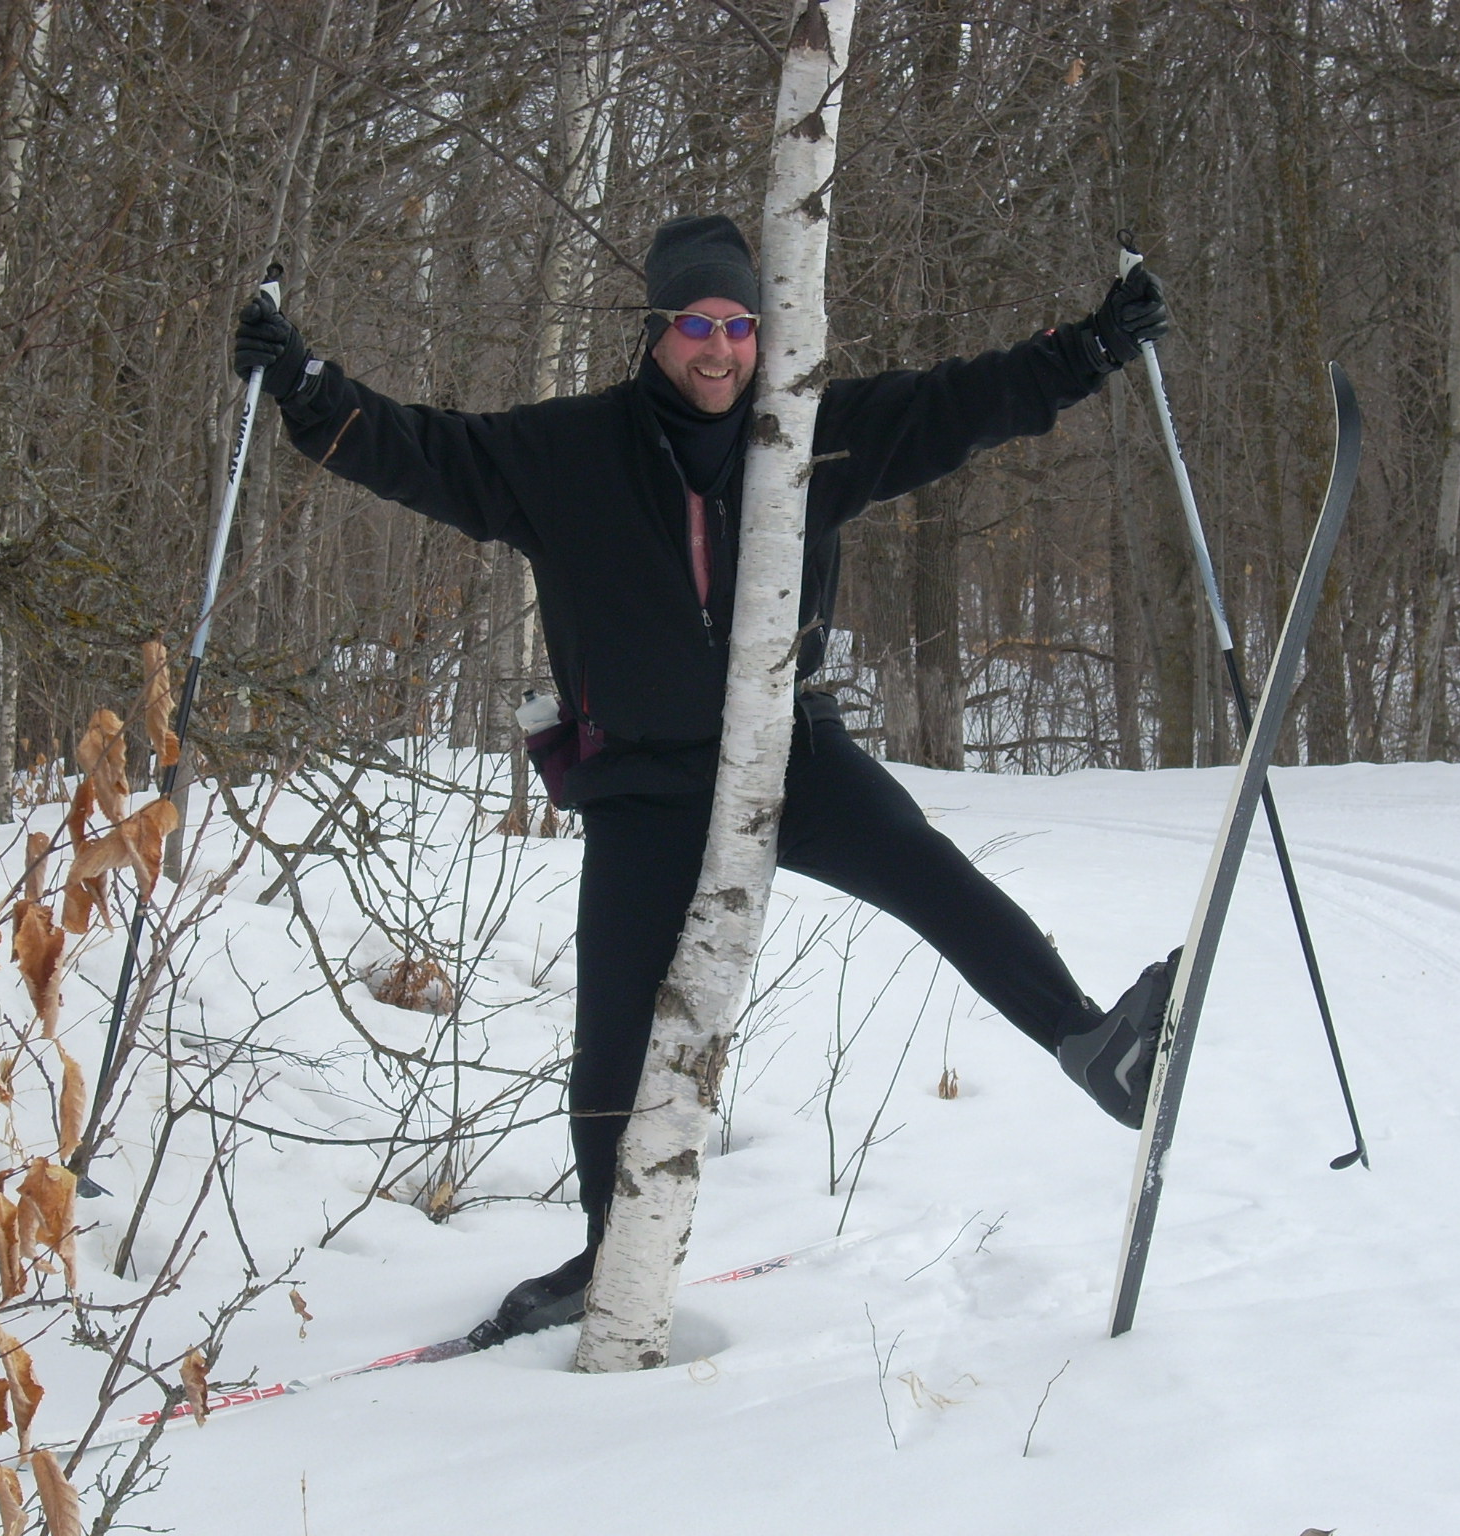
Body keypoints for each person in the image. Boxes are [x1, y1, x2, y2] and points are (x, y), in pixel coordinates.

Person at [234, 215, 1179, 1339]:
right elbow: (421, 450)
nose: (720, 351)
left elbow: (957, 405)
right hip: (642, 782)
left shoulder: (810, 432)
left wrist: (1091, 348)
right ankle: (606, 1252)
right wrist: (304, 385)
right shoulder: (567, 453)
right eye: (696, 326)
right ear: (655, 332)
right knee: (613, 1025)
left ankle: (1090, 1048)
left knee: (925, 872)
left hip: (790, 751)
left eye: (738, 326)